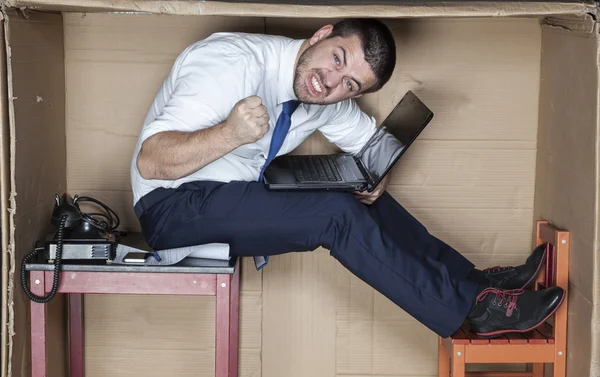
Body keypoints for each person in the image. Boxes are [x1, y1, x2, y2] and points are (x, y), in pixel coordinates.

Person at [130, 18, 565, 339]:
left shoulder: (324, 95)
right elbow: (151, 162)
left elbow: (366, 142)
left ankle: (477, 284)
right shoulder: (231, 64)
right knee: (335, 214)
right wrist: (229, 133)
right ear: (321, 35)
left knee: (358, 196)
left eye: (350, 85)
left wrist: (378, 176)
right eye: (337, 59)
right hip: (171, 206)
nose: (330, 83)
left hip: (233, 194)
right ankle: (471, 312)